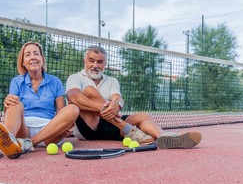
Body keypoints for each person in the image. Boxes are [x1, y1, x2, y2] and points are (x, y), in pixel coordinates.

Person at [66, 45, 201, 149]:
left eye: (100, 62)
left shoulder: (112, 80)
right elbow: (73, 97)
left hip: (109, 124)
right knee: (89, 91)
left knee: (144, 116)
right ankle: (129, 129)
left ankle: (164, 136)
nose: (95, 65)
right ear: (85, 61)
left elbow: (118, 97)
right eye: (91, 61)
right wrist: (106, 106)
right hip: (88, 129)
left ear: (105, 64)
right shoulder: (76, 77)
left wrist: (116, 105)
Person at [0, 41, 79, 158]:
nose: (33, 57)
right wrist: (7, 104)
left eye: (36, 53)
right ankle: (9, 141)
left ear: (42, 59)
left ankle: (27, 144)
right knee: (14, 103)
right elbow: (10, 113)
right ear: (23, 63)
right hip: (23, 130)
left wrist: (66, 127)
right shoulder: (16, 81)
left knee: (73, 109)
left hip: (49, 132)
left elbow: (61, 113)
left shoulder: (55, 81)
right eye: (28, 55)